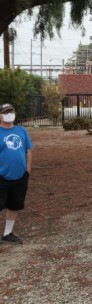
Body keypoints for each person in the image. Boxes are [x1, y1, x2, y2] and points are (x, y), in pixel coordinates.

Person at [0, 103, 33, 245]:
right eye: (6, 112)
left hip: (20, 176)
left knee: (14, 205)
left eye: (11, 111)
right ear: (0, 115)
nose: (9, 114)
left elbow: (28, 150)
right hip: (2, 176)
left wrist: (28, 170)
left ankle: (7, 233)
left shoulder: (21, 131)